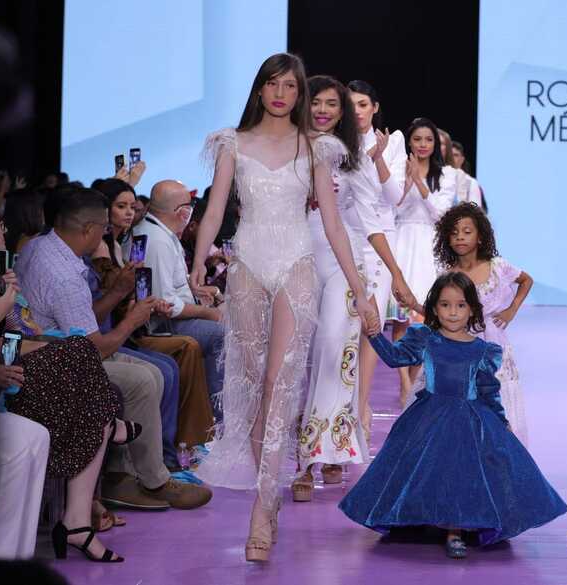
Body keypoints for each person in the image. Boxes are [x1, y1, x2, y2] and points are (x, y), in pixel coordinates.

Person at [192, 53, 380, 562]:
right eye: (273, 84)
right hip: (247, 265)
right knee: (255, 383)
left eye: (290, 86)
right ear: (259, 90)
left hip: (296, 264)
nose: (281, 94)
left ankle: (262, 506)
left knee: (280, 382)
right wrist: (198, 260)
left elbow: (334, 223)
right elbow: (216, 208)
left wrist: (360, 289)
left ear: (299, 94)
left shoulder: (316, 147)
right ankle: (269, 491)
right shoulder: (231, 143)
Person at [0, 195, 134, 562]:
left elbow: (15, 335)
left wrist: (21, 328)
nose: (4, 232)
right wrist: (3, 318)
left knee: (80, 355)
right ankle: (81, 512)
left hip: (12, 360)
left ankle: (80, 516)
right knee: (87, 368)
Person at [339, 272, 567, 558]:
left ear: (472, 309)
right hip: (430, 416)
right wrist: (374, 335)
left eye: (460, 305)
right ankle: (426, 518)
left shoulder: (482, 350)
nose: (453, 312)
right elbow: (395, 357)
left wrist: (501, 420)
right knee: (427, 467)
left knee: (462, 470)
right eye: (445, 305)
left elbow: (488, 390)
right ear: (435, 309)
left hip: (470, 418)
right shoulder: (426, 339)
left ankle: (455, 529)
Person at [15, 187, 212, 511]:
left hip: (59, 348)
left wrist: (118, 292)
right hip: (51, 360)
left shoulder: (44, 247)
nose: (105, 233)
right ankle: (150, 481)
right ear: (88, 230)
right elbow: (92, 350)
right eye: (104, 227)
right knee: (142, 379)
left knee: (154, 372)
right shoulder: (63, 275)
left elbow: (82, 322)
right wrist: (131, 322)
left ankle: (128, 475)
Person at [293, 75, 413, 500]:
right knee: (296, 359)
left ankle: (314, 457)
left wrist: (396, 276)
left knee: (333, 350)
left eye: (332, 103)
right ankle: (305, 448)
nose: (323, 110)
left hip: (344, 264)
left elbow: (371, 220)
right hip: (290, 261)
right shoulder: (287, 149)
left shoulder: (352, 157)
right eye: (316, 102)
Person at [92, 178, 214, 467]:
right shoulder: (137, 243)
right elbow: (113, 303)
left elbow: (141, 294)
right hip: (127, 331)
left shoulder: (120, 243)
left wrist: (141, 302)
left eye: (132, 207)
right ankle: (182, 448)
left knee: (174, 361)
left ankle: (192, 442)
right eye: (121, 206)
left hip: (131, 325)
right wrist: (206, 312)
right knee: (203, 342)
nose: (129, 213)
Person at [434, 202, 532, 443]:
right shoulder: (448, 275)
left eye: (467, 232)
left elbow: (526, 280)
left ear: (480, 237)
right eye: (454, 233)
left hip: (493, 342)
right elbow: (439, 311)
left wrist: (511, 310)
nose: (460, 237)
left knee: (496, 396)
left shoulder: (497, 266)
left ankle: (501, 452)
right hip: (460, 346)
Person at [347, 80, 410, 436]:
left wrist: (378, 158)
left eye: (363, 104)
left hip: (379, 239)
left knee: (371, 325)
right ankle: (343, 406)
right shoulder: (334, 142)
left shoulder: (393, 141)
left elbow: (394, 196)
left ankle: (361, 405)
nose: (357, 110)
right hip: (342, 235)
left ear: (375, 108)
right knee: (343, 322)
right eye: (350, 104)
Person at [132, 179, 225, 419]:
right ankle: (216, 417)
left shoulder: (161, 232)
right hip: (162, 325)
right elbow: (166, 304)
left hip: (176, 315)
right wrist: (207, 312)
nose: (191, 210)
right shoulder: (157, 240)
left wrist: (199, 291)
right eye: (189, 205)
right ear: (181, 212)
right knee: (222, 332)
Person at [388, 117, 457, 403]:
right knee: (401, 320)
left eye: (428, 139)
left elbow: (442, 214)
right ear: (409, 142)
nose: (423, 145)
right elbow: (391, 208)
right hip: (402, 243)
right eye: (417, 139)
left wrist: (419, 181)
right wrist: (406, 181)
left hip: (429, 247)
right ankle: (404, 383)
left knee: (426, 319)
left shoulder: (447, 175)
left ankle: (415, 379)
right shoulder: (397, 168)